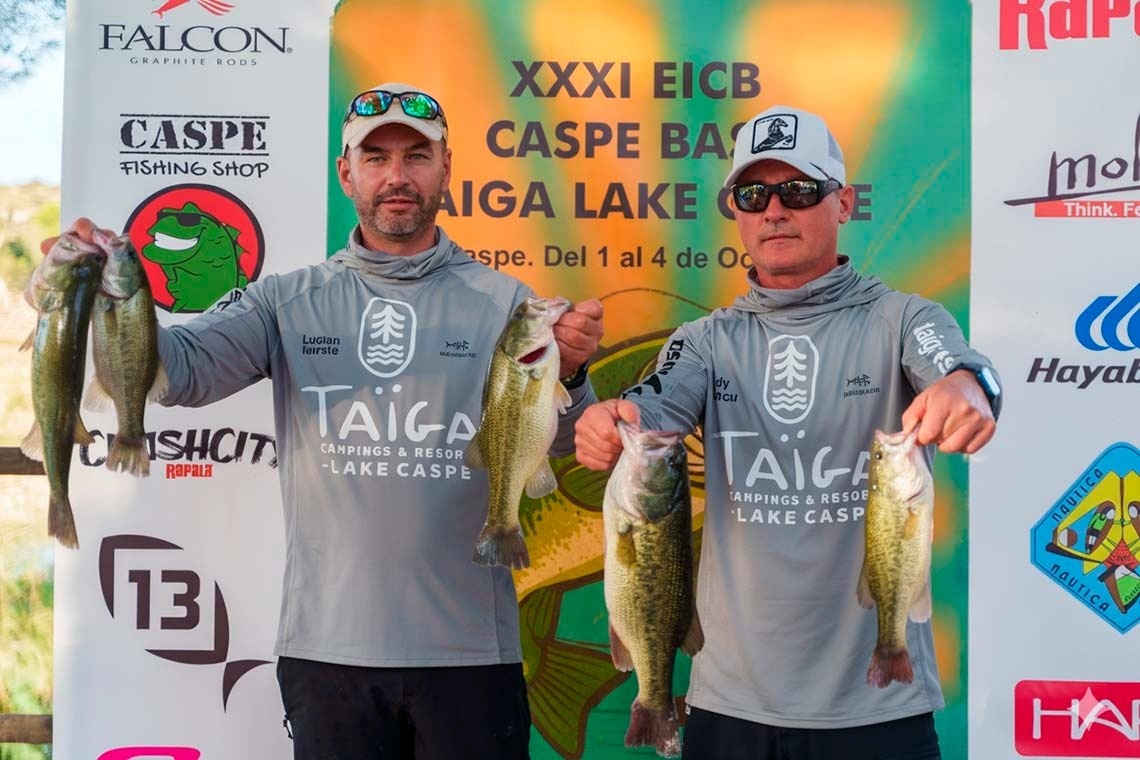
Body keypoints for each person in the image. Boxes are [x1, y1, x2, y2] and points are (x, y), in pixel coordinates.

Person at [48, 82, 604, 760]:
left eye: (416, 157)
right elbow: (180, 372)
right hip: (327, 655)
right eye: (375, 157)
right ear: (346, 174)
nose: (397, 176)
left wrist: (574, 372)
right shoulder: (287, 300)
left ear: (446, 169)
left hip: (470, 655)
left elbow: (566, 445)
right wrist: (101, 296)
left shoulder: (507, 303)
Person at [574, 104, 1001, 759]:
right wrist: (608, 420)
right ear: (738, 214)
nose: (775, 210)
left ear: (843, 203)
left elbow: (963, 369)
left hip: (878, 705)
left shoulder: (906, 319)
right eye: (753, 194)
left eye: (798, 190)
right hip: (731, 707)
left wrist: (970, 389)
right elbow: (647, 412)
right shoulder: (704, 341)